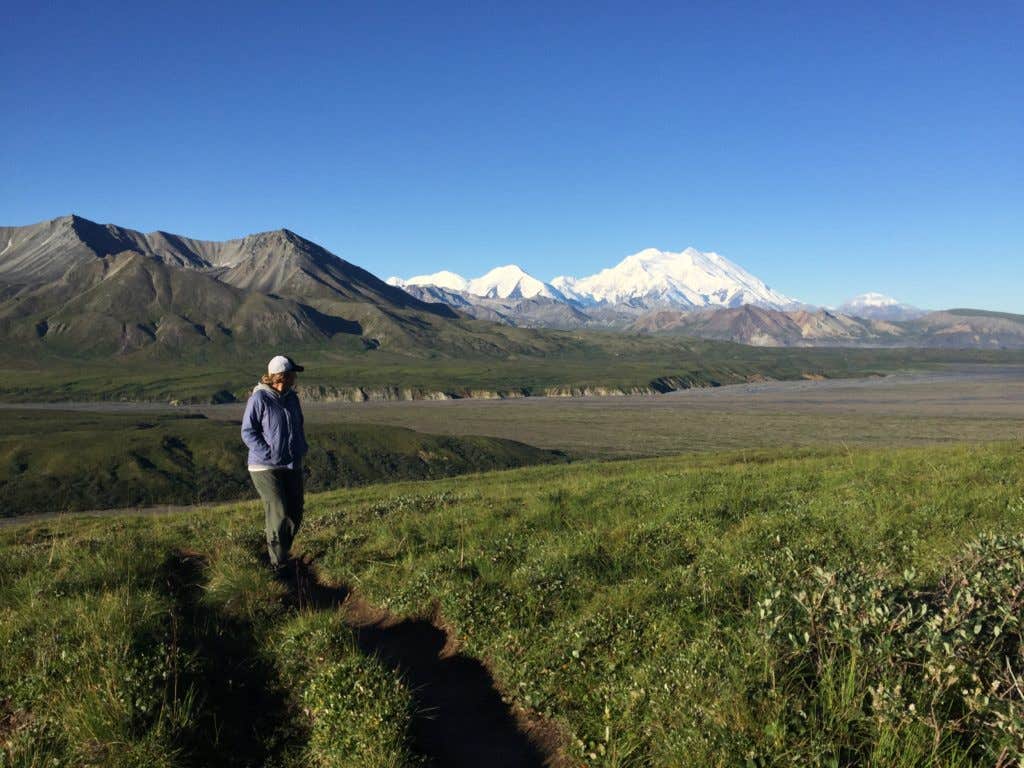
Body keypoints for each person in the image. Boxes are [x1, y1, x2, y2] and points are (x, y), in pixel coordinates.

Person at [242, 355, 308, 570]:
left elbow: (298, 425)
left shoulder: (292, 398)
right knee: (278, 509)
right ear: (281, 376)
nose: (295, 378)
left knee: (295, 512)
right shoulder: (259, 399)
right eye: (292, 374)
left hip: (290, 463)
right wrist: (269, 453)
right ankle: (277, 563)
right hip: (264, 465)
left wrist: (300, 447)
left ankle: (282, 551)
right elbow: (248, 432)